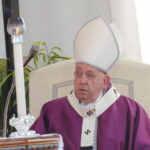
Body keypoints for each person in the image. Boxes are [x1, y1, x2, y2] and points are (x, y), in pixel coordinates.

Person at [30, 17, 150, 150]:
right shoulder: (52, 111)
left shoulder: (131, 112)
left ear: (105, 82)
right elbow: (32, 146)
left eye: (90, 75)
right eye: (78, 73)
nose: (82, 81)